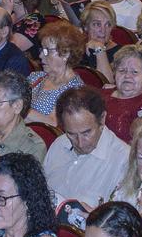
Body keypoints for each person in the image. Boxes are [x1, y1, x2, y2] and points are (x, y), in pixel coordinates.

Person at [42, 87, 129, 220]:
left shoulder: (123, 159)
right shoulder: (59, 144)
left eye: (86, 133)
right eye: (71, 134)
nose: (80, 143)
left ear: (103, 119)